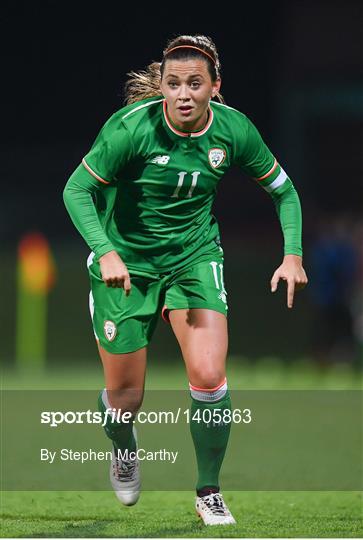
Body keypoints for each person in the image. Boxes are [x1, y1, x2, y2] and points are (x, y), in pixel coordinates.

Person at [63, 34, 308, 526]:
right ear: (162, 87)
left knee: (209, 376)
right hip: (126, 269)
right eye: (172, 83)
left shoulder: (235, 131)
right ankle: (124, 444)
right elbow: (77, 189)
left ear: (215, 87)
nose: (183, 94)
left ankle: (208, 491)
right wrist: (106, 252)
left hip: (193, 260)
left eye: (194, 83)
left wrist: (293, 256)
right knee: (126, 400)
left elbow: (284, 192)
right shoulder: (130, 130)